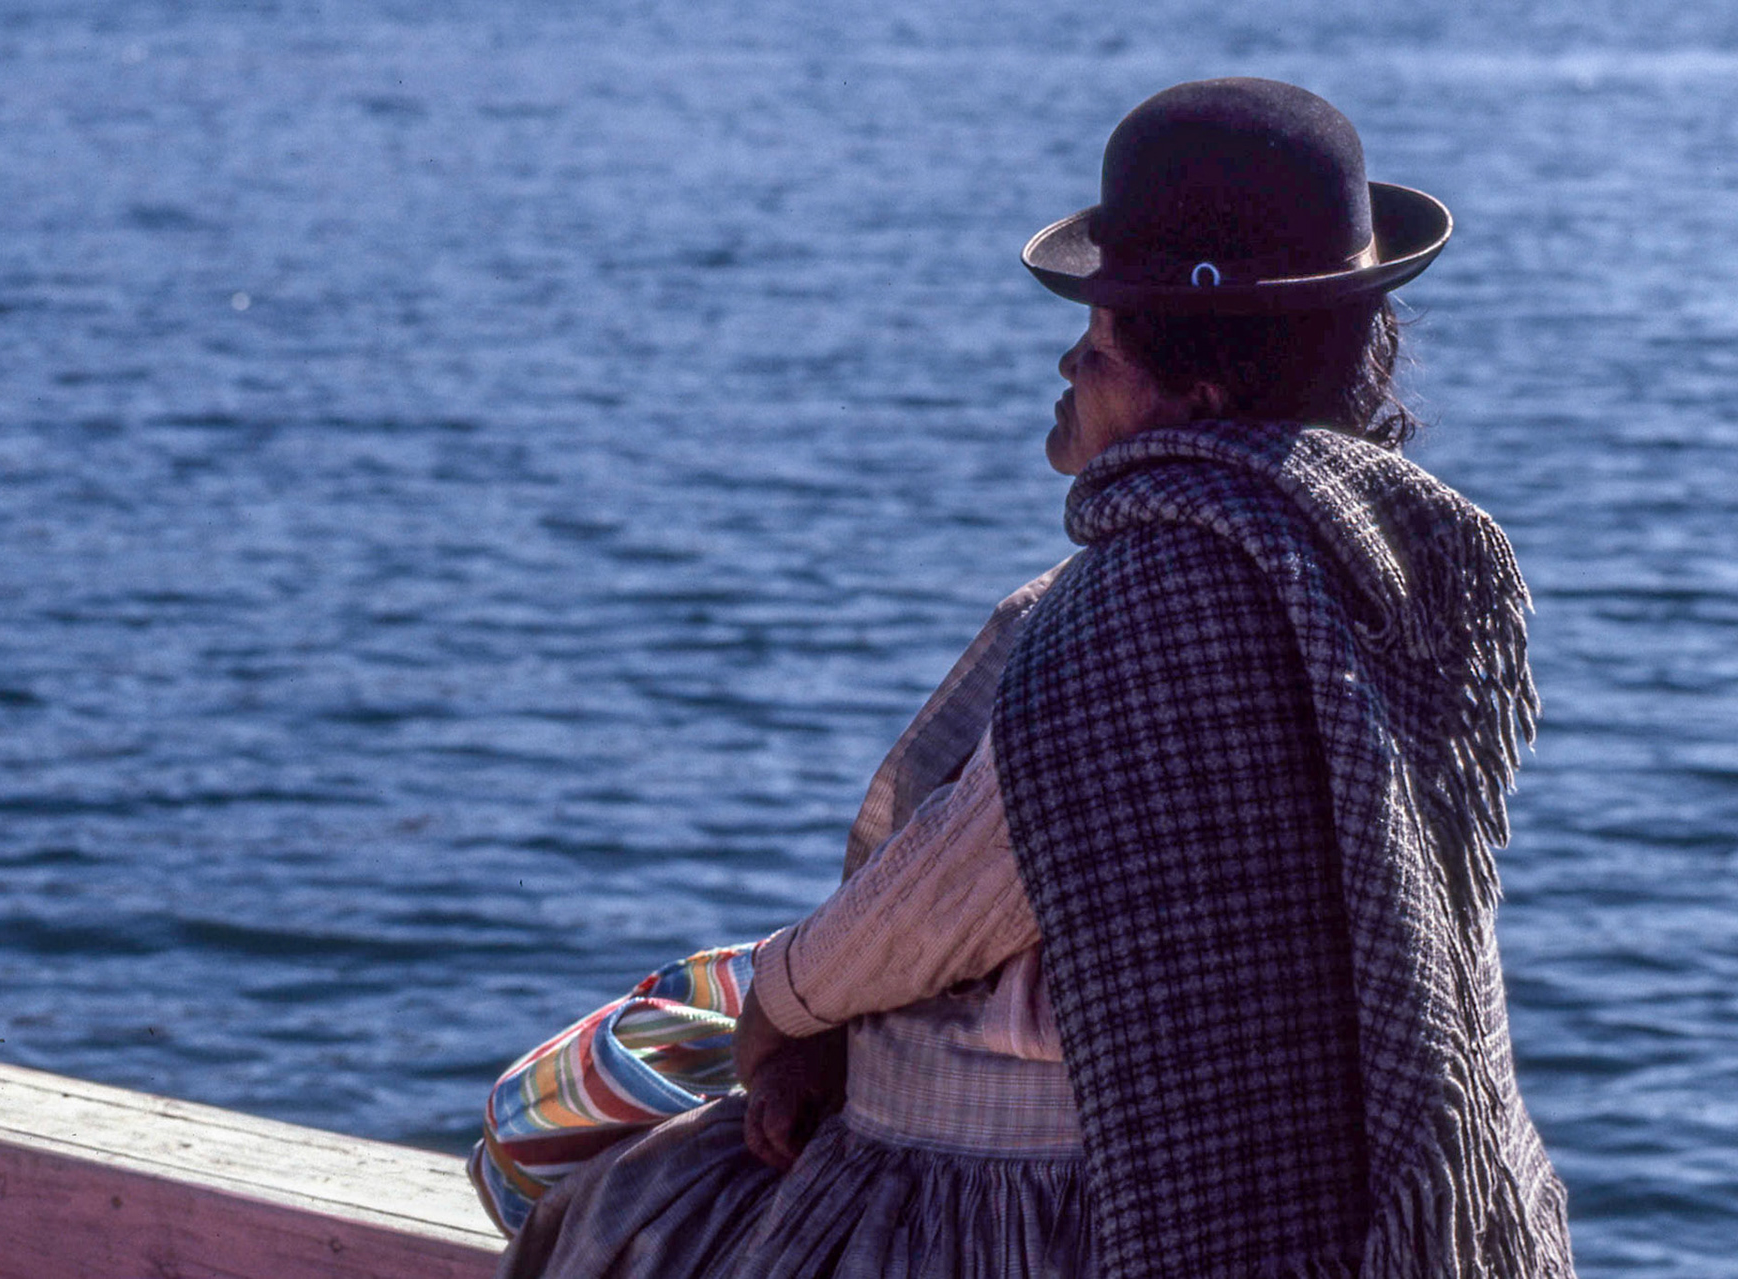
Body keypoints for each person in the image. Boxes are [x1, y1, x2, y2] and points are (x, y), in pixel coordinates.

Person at [495, 77, 1577, 1278]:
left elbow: (938, 904)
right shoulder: (1391, 564)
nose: (1068, 363)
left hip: (1062, 1209)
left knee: (584, 1184)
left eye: (1101, 341)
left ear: (1200, 390)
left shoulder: (1147, 611)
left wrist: (782, 1016)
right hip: (1354, 1180)